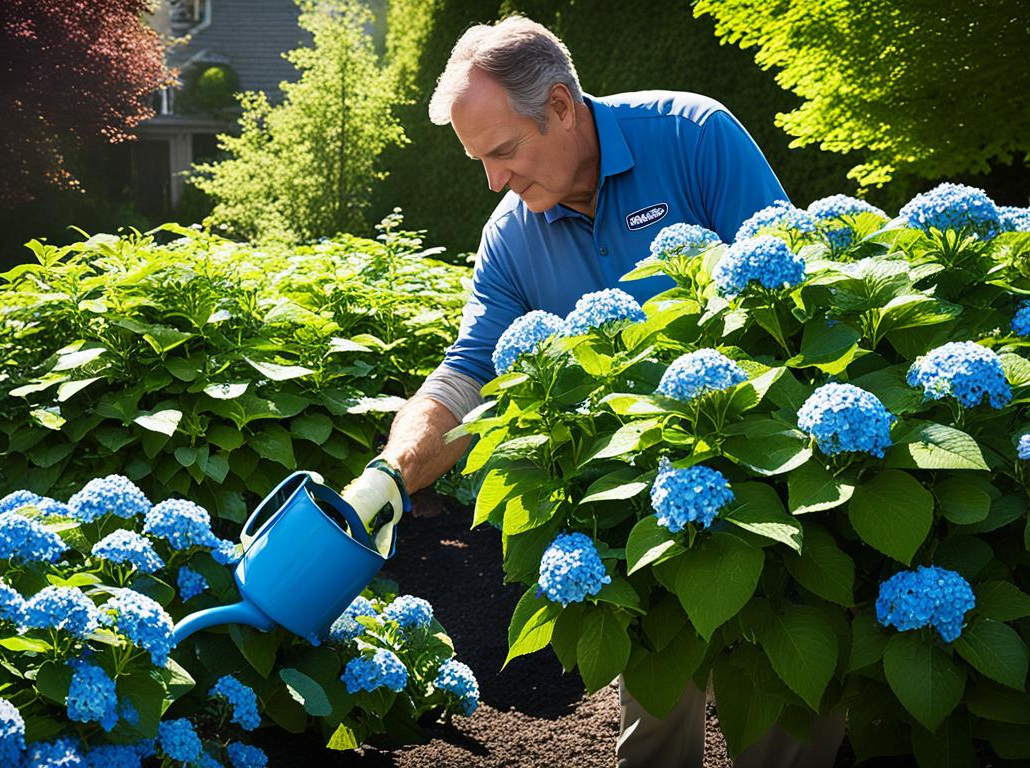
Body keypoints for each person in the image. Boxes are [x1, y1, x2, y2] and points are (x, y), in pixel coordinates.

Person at [340, 15, 844, 768]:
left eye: (503, 151)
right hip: (634, 513)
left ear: (563, 106)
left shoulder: (695, 136)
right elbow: (470, 371)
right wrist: (387, 477)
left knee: (787, 713)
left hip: (769, 478)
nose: (494, 181)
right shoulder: (511, 234)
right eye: (479, 161)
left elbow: (792, 292)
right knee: (655, 718)